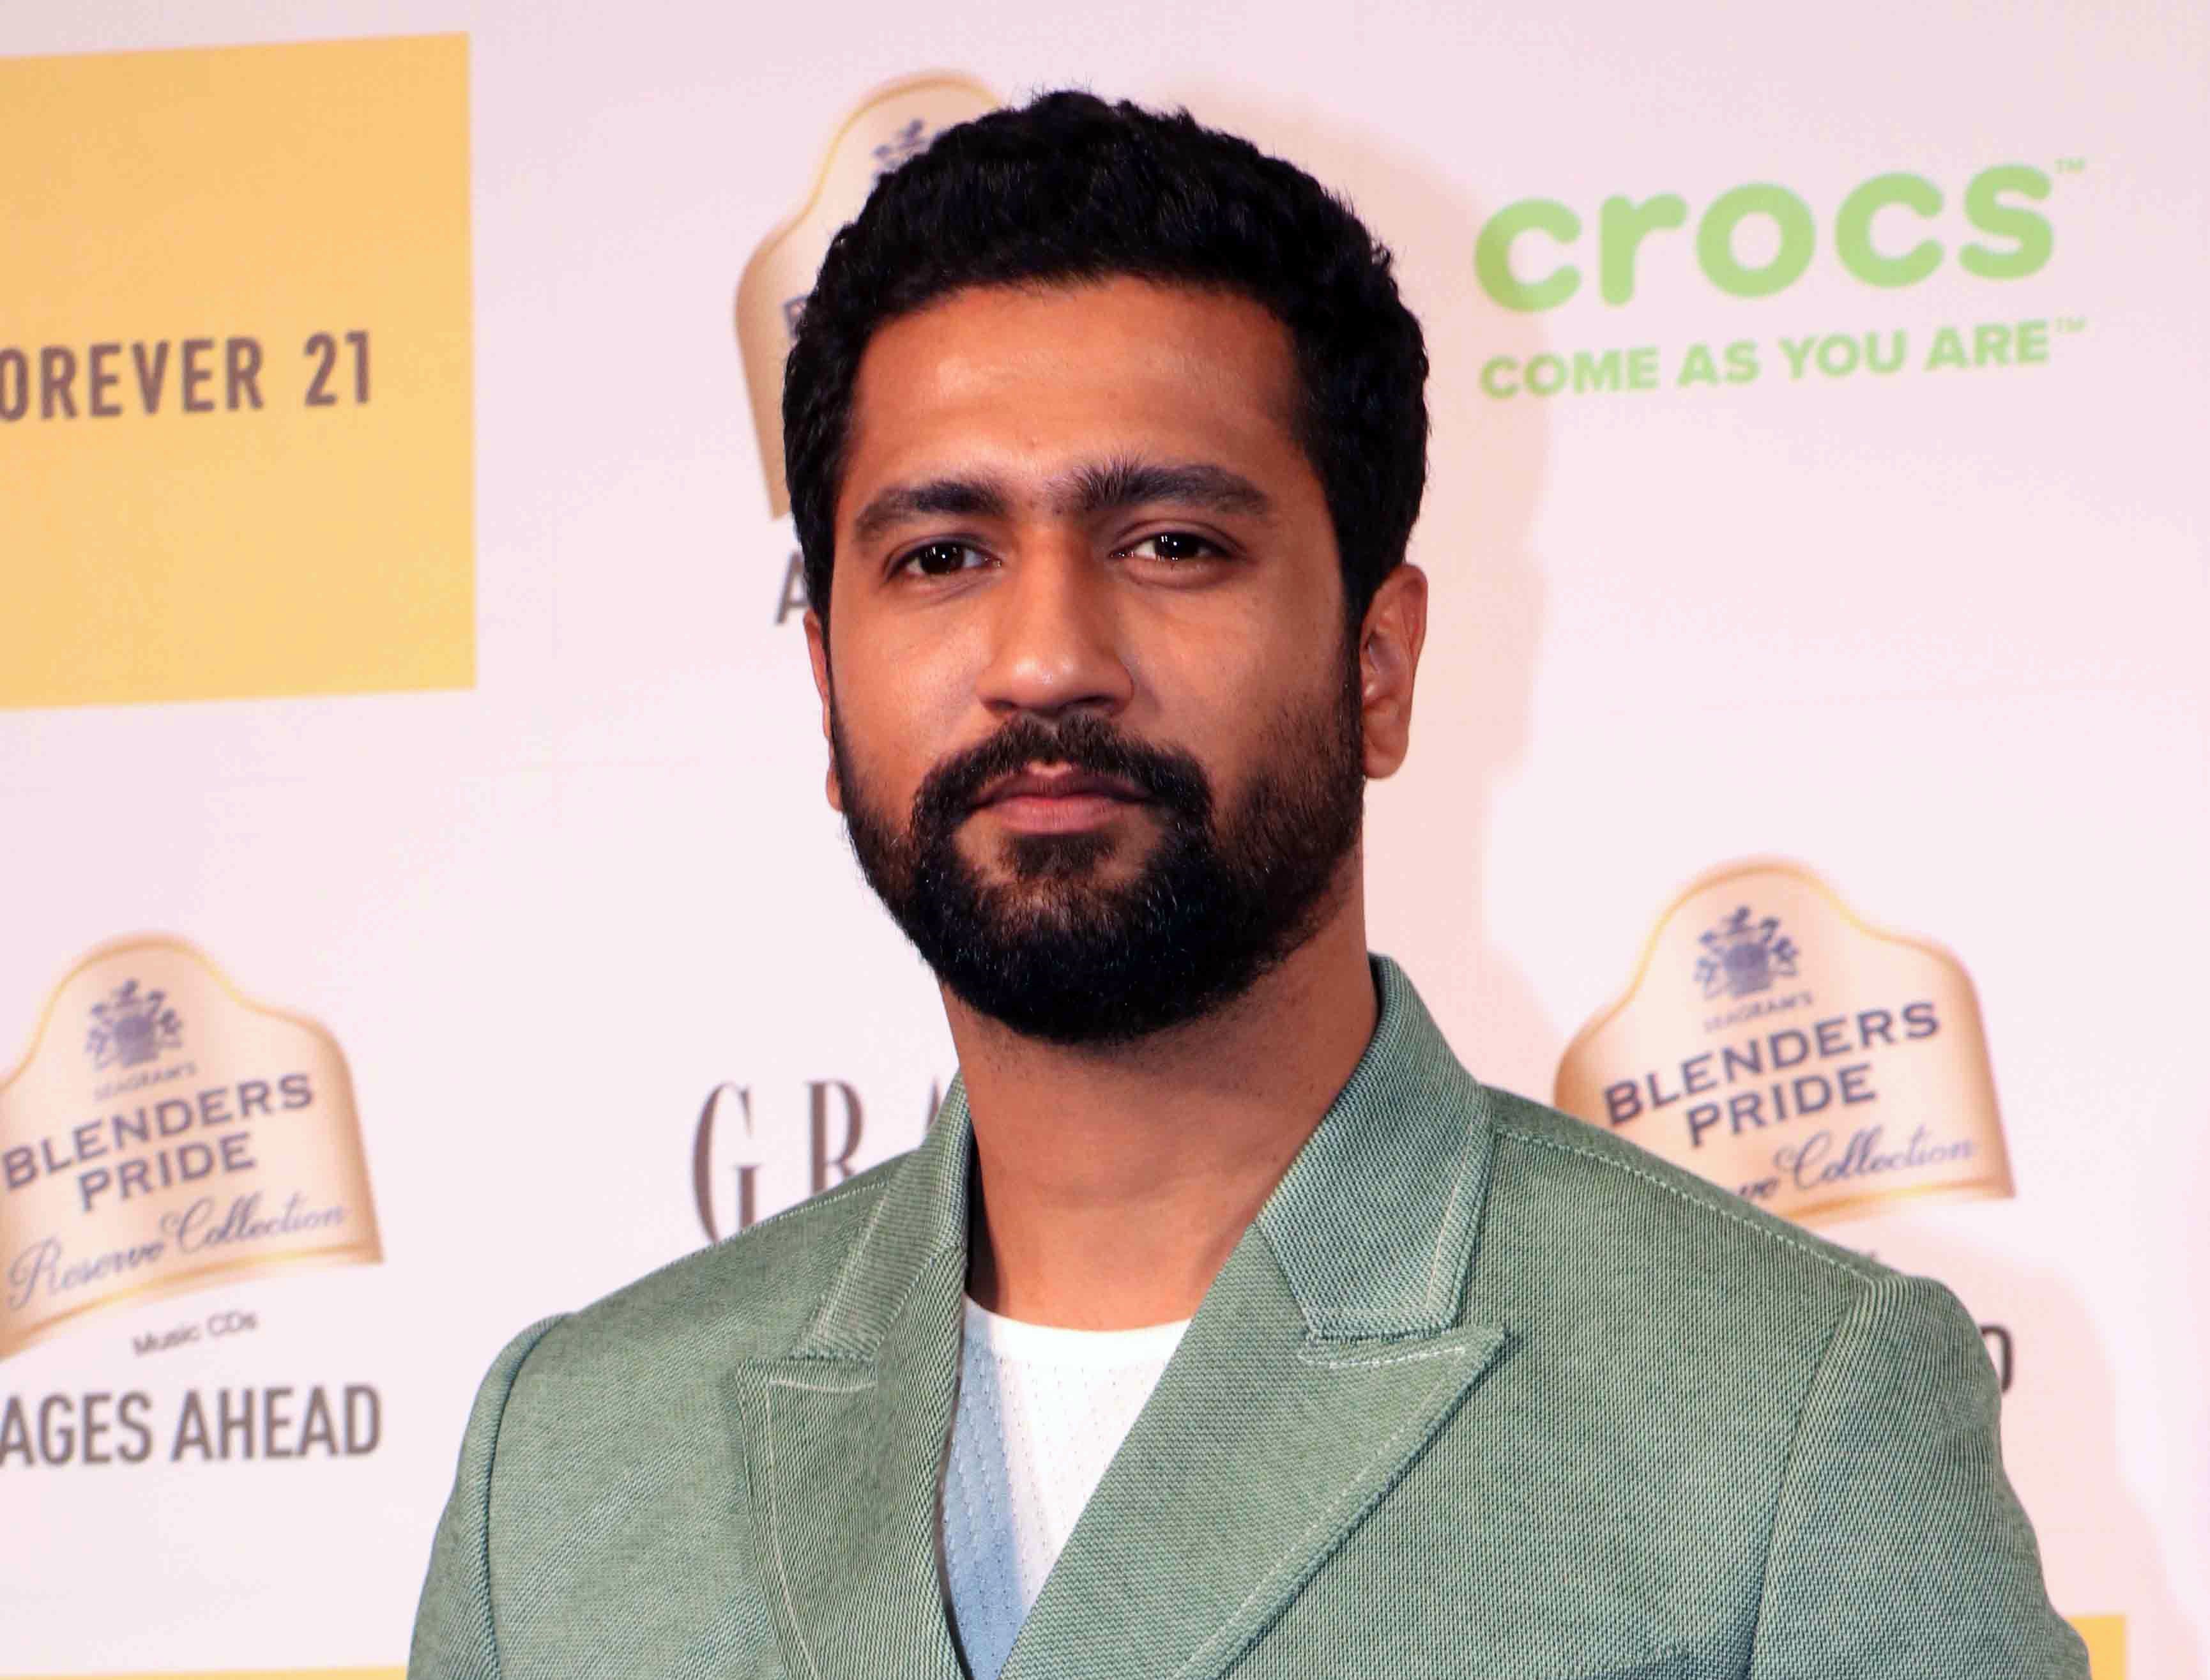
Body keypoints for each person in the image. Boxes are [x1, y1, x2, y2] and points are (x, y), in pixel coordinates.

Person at [410, 92, 2084, 1680]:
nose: (1045, 657)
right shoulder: (567, 1465)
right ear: (825, 686)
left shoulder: (1785, 1409)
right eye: (941, 555)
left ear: (1378, 665)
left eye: (1171, 545)